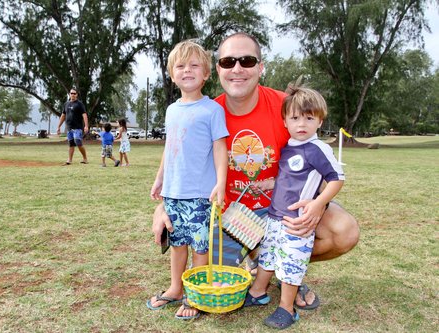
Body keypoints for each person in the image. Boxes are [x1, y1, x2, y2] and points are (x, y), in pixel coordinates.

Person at [152, 32, 359, 312]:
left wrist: (317, 206)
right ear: (218, 70)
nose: (237, 68)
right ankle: (261, 262)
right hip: (229, 217)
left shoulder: (287, 107)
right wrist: (163, 207)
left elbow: (317, 157)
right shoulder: (205, 112)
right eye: (228, 61)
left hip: (280, 210)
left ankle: (287, 272)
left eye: (247, 61)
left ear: (261, 67)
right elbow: (178, 160)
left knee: (344, 231)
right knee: (214, 283)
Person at [244, 82, 345, 329]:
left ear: (320, 121)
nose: (302, 124)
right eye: (295, 118)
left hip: (297, 221)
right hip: (274, 217)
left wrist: (317, 203)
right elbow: (286, 178)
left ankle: (287, 308)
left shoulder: (318, 149)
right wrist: (268, 185)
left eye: (309, 118)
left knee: (291, 263)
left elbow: (337, 179)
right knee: (267, 257)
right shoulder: (288, 147)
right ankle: (258, 293)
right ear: (285, 121)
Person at [146, 40, 229, 320]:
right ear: (172, 74)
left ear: (206, 73)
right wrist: (160, 179)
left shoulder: (212, 110)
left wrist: (221, 182)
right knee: (177, 243)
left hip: (200, 195)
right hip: (173, 192)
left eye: (195, 65)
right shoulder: (171, 110)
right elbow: (170, 147)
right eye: (180, 66)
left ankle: (195, 295)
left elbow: (220, 148)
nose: (187, 70)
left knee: (199, 247)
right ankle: (175, 288)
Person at [57, 88, 89, 165]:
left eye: (74, 93)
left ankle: (85, 158)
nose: (73, 95)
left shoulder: (79, 104)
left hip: (77, 127)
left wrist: (86, 126)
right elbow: (63, 115)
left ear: (77, 95)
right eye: (71, 93)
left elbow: (84, 115)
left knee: (78, 141)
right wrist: (59, 126)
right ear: (69, 94)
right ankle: (69, 160)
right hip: (69, 128)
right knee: (71, 143)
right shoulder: (66, 104)